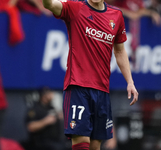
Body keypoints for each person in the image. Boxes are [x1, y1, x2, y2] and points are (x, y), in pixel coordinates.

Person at [42, 0, 139, 150]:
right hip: (78, 87)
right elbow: (50, 5)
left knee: (95, 146)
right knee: (81, 143)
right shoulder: (76, 8)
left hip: (102, 91)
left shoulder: (116, 15)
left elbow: (119, 51)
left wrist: (130, 82)